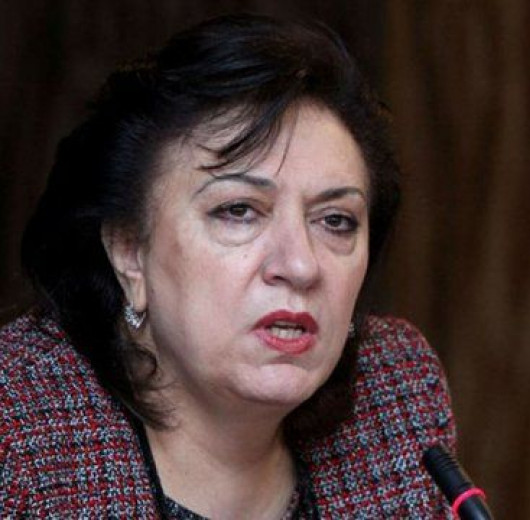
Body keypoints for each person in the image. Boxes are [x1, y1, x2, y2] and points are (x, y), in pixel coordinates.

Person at [0, 14, 455, 518]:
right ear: (129, 252)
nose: (300, 265)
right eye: (238, 211)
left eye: (335, 220)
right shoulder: (20, 434)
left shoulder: (394, 399)